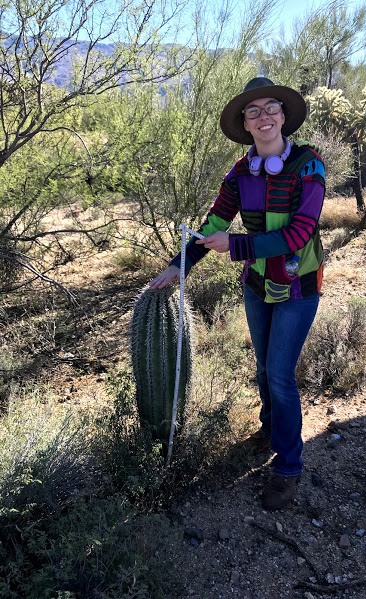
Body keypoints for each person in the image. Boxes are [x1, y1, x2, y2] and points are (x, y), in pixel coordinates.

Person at [149, 77, 325, 510]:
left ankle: (288, 466)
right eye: (254, 112)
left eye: (271, 108)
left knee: (281, 376)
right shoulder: (240, 172)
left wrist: (239, 246)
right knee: (264, 368)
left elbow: (301, 232)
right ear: (245, 124)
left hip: (299, 286)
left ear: (284, 116)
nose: (264, 117)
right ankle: (272, 427)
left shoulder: (309, 165)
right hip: (257, 284)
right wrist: (180, 263)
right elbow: (215, 222)